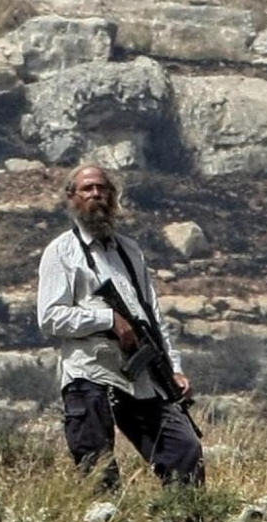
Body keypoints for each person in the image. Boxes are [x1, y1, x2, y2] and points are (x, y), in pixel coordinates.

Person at [37, 163, 204, 490]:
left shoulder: (129, 251)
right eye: (87, 189)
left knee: (185, 451)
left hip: (141, 377)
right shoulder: (61, 252)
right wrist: (108, 320)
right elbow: (50, 317)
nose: (96, 195)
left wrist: (175, 370)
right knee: (98, 469)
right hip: (90, 373)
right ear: (71, 197)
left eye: (103, 188)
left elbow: (152, 315)